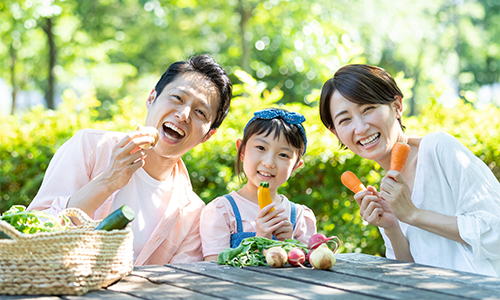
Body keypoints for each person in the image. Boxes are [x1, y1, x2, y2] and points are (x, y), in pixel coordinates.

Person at [27, 54, 232, 266]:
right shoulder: (89, 146)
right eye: (177, 98)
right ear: (151, 98)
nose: (183, 115)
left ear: (208, 136)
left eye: (200, 112)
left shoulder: (193, 214)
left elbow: (178, 283)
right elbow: (32, 235)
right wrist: (107, 181)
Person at [318, 64, 500, 277]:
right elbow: (409, 275)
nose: (360, 127)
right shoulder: (388, 191)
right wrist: (392, 227)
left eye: (368, 109)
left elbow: (495, 233)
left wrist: (413, 214)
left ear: (396, 107)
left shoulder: (438, 149)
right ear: (336, 133)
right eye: (345, 119)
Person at [200, 108, 317, 261]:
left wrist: (290, 244)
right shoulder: (222, 212)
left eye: (283, 155)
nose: (268, 163)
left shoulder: (300, 217)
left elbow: (311, 271)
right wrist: (260, 240)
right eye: (261, 148)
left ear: (295, 166)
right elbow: (214, 271)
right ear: (242, 151)